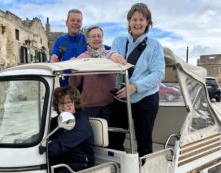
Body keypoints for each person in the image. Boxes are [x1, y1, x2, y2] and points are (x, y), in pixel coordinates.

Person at [109, 3, 165, 157]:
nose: (138, 23)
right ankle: (120, 169)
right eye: (134, 19)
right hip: (121, 97)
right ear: (129, 21)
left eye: (142, 19)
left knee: (144, 140)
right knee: (115, 138)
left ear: (147, 22)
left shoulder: (155, 45)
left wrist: (135, 87)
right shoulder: (119, 41)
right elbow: (111, 56)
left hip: (145, 98)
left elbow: (158, 73)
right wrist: (111, 55)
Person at [48, 86, 95, 173]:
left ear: (75, 103)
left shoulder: (81, 123)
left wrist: (39, 152)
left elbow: (60, 145)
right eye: (61, 103)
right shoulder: (58, 120)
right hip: (60, 163)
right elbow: (44, 135)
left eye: (68, 102)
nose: (65, 106)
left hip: (78, 166)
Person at [69, 25, 116, 122]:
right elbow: (74, 84)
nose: (97, 38)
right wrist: (73, 71)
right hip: (89, 107)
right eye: (93, 36)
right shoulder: (81, 58)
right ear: (87, 40)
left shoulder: (111, 55)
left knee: (110, 135)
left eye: (99, 36)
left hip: (111, 105)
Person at [50, 9, 87, 86]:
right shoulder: (60, 40)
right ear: (66, 23)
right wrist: (52, 59)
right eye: (73, 20)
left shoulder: (87, 39)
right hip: (65, 87)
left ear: (81, 24)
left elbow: (103, 49)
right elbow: (52, 59)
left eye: (78, 21)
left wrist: (114, 53)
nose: (76, 23)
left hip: (85, 86)